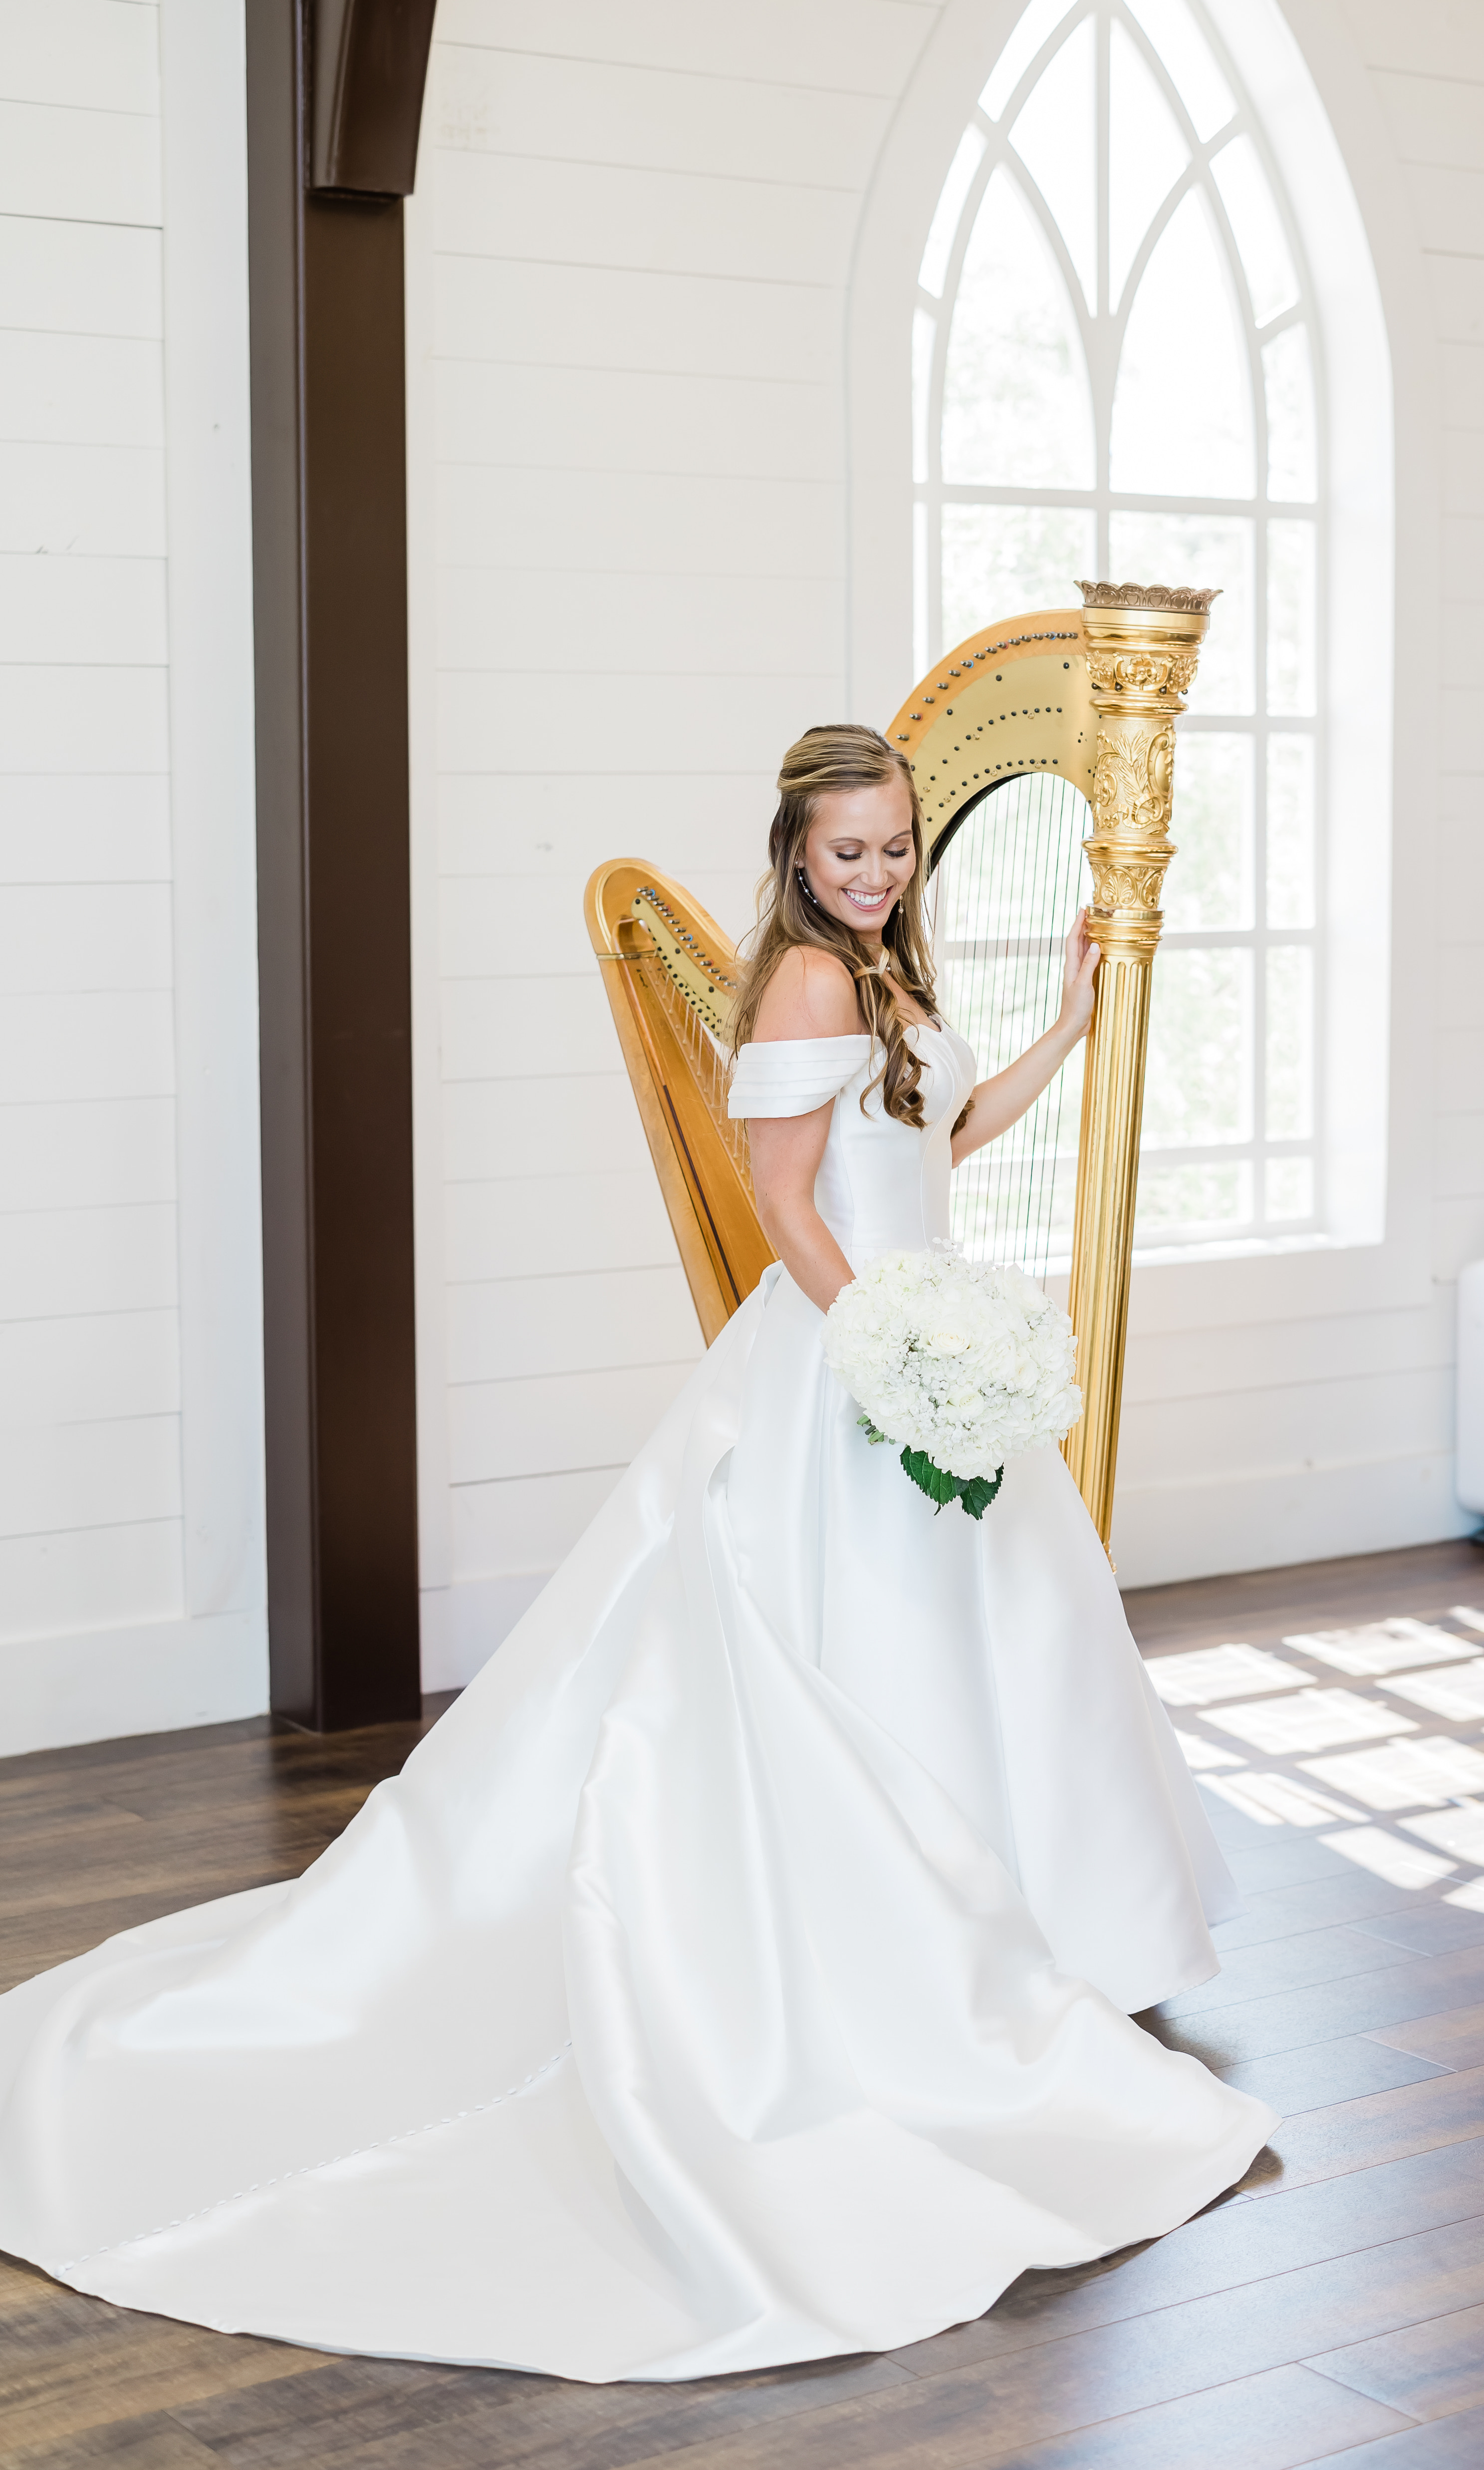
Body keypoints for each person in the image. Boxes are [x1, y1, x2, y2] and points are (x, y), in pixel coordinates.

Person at [0, 725, 1275, 2384]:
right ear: (796, 859)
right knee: (827, 1659)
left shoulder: (887, 985)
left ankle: (1012, 1941)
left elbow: (933, 1153)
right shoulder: (809, 988)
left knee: (997, 1645)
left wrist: (1069, 1025)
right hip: (855, 1355)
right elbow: (788, 1206)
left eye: (896, 849)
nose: (878, 876)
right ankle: (877, 1972)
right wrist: (893, 1345)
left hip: (919, 1339)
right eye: (849, 855)